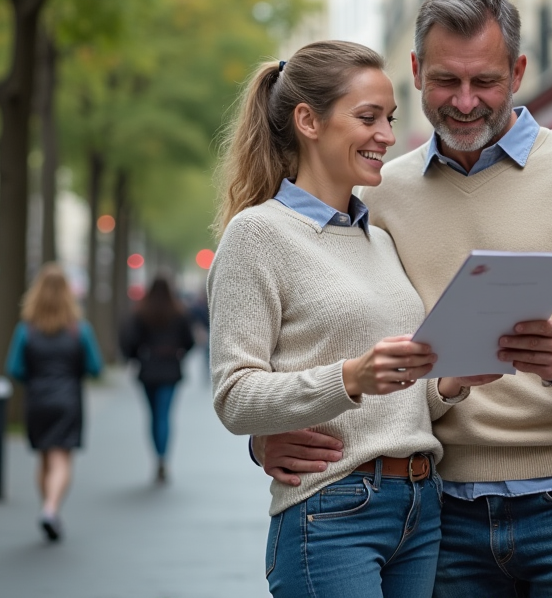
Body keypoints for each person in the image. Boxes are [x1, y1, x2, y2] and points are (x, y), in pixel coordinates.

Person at [259, 0, 552, 596]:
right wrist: (270, 438)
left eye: (486, 81)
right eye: (447, 80)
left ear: (519, 71)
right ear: (416, 72)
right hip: (437, 513)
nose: (466, 102)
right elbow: (325, 327)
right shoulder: (377, 192)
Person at [209, 41, 499, 598]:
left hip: (420, 506)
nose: (387, 136)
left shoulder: (380, 240)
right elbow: (234, 396)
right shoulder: (258, 235)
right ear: (308, 121)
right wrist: (349, 379)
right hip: (334, 509)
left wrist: (450, 381)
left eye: (389, 119)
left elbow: (396, 395)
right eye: (368, 118)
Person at [5, 263, 103, 543]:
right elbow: (95, 367)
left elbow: (15, 369)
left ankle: (48, 508)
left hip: (37, 399)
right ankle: (50, 509)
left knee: (45, 458)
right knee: (61, 459)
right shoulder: (79, 330)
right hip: (68, 399)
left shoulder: (26, 330)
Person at [121, 275, 195, 484]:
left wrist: (137, 358)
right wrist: (178, 354)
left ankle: (157, 455)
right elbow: (189, 341)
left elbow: (129, 342)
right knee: (165, 414)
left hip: (148, 368)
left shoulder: (141, 313)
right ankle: (163, 457)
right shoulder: (179, 313)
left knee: (153, 415)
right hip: (170, 369)